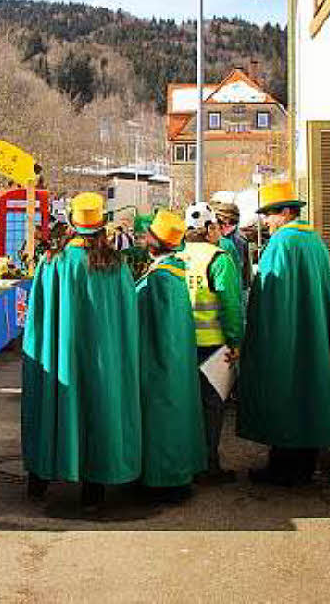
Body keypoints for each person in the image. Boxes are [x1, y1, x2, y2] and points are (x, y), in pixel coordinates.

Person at [22, 192, 140, 512]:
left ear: (72, 225)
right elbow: (128, 319)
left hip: (61, 358)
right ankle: (93, 493)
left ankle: (39, 481)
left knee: (53, 406)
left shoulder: (52, 263)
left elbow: (37, 320)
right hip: (103, 360)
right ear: (101, 226)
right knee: (99, 410)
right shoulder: (116, 266)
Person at [238, 181, 330, 486]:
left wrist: (258, 334)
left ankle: (282, 470)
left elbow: (269, 295)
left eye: (270, 214)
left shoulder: (282, 243)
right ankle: (304, 467)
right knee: (310, 395)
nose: (266, 221)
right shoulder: (316, 242)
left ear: (286, 212)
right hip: (314, 337)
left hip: (287, 336)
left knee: (285, 394)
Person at [136, 210, 206, 498]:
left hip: (159, 362)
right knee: (178, 415)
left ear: (155, 241)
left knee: (162, 420)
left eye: (147, 233)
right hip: (175, 360)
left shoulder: (159, 279)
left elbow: (151, 323)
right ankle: (176, 475)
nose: (143, 237)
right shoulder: (173, 273)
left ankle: (163, 481)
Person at [177, 202, 242, 483]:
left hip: (181, 344)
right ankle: (209, 464)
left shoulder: (178, 258)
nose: (218, 231)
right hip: (214, 345)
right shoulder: (220, 259)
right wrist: (235, 341)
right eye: (215, 226)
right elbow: (231, 306)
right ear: (206, 229)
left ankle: (186, 460)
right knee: (213, 406)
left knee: (186, 405)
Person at [213, 202, 252, 293]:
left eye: (231, 222)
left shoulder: (240, 240)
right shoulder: (210, 237)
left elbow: (245, 273)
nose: (226, 225)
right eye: (222, 222)